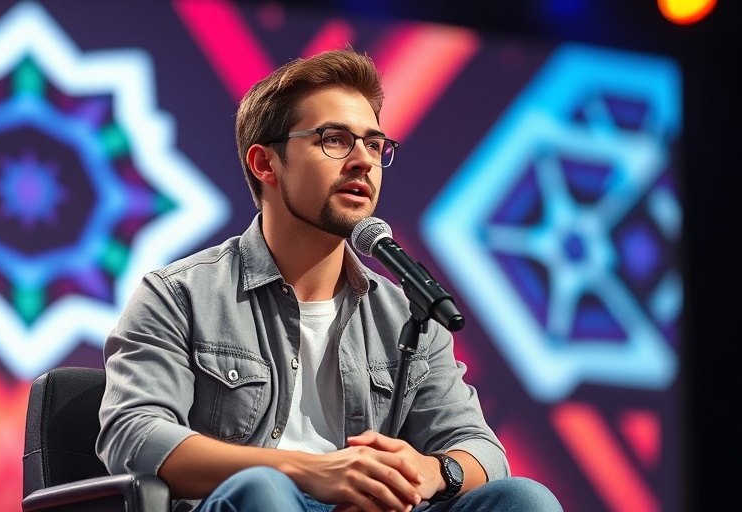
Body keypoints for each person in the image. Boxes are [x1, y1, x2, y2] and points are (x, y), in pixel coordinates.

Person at [97, 48, 562, 512]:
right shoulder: (179, 295)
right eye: (335, 139)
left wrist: (435, 471)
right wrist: (309, 471)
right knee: (265, 490)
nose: (363, 160)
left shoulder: (408, 315)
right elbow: (134, 434)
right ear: (266, 164)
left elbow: (481, 449)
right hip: (258, 503)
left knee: (525, 499)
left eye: (374, 144)